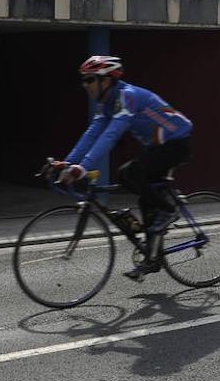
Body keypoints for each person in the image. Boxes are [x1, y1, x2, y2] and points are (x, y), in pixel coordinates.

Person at [50, 55, 193, 281]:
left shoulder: (128, 97)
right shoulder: (106, 104)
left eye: (89, 80)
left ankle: (169, 209)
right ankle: (152, 258)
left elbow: (111, 134)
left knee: (129, 172)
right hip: (158, 146)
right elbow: (93, 133)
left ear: (105, 81)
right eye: (84, 80)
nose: (84, 85)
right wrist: (68, 163)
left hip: (176, 142)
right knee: (144, 197)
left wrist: (83, 168)